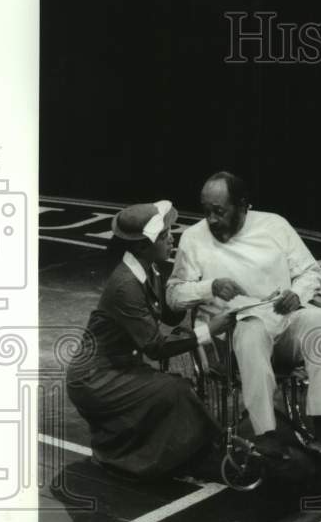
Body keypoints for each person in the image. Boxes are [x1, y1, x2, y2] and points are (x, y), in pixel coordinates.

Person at [166, 171, 321, 457]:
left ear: (243, 206)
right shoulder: (193, 238)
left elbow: (311, 271)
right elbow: (173, 297)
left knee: (320, 321)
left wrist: (297, 294)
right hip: (233, 337)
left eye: (219, 211)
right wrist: (210, 287)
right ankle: (265, 432)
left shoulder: (275, 225)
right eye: (206, 211)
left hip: (282, 323)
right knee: (251, 329)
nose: (211, 219)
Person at [67, 199, 230, 480]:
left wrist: (203, 288)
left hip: (118, 368)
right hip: (95, 378)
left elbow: (168, 316)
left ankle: (194, 453)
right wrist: (208, 331)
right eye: (165, 235)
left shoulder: (147, 268)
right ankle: (207, 453)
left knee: (173, 389)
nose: (173, 239)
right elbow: (155, 347)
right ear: (144, 245)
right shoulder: (126, 285)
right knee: (174, 391)